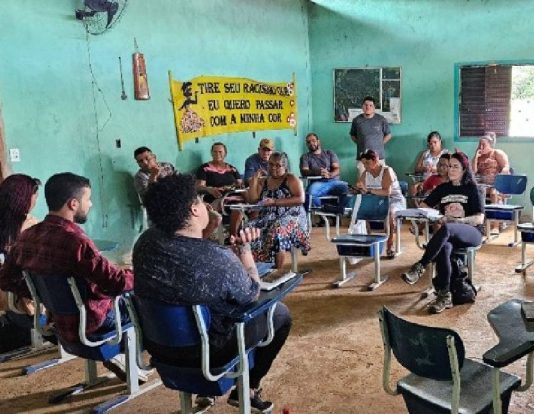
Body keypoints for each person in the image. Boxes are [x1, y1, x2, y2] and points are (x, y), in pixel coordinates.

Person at [134, 174, 290, 413]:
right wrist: (245, 251)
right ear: (193, 210)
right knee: (278, 314)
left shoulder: (145, 243)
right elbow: (251, 293)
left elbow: (185, 257)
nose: (206, 205)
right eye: (200, 200)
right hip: (207, 354)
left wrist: (206, 230)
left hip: (160, 347)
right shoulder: (218, 259)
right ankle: (248, 388)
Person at [0, 173, 133, 366]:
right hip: (92, 322)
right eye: (88, 199)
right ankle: (141, 361)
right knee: (139, 301)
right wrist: (140, 274)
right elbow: (116, 283)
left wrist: (40, 294)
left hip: (55, 321)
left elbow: (5, 278)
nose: (91, 204)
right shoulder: (76, 241)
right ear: (73, 204)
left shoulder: (26, 237)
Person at [401, 151, 485, 314]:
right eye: (449, 166)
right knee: (444, 248)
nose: (451, 170)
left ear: (464, 169)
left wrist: (458, 221)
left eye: (455, 166)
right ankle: (445, 295)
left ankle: (420, 266)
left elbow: (479, 218)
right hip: (449, 235)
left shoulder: (473, 189)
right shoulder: (443, 188)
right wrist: (436, 216)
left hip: (471, 233)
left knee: (447, 227)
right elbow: (424, 205)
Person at [243, 152, 310, 274]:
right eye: (271, 164)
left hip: (292, 217)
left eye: (278, 165)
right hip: (268, 217)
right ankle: (257, 269)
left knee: (277, 230)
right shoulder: (264, 181)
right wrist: (253, 182)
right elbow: (252, 200)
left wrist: (275, 201)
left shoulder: (291, 179)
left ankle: (277, 272)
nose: (273, 168)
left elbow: (300, 199)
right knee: (249, 228)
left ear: (285, 166)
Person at [0, 174, 41, 353]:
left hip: (6, 299)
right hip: (27, 300)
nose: (36, 199)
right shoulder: (30, 225)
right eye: (34, 195)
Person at [357, 149, 407, 258]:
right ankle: (368, 243)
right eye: (363, 163)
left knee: (390, 213)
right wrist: (358, 189)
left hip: (394, 199)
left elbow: (387, 192)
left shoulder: (387, 171)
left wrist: (368, 190)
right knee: (362, 212)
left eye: (367, 163)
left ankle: (390, 246)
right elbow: (360, 187)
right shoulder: (366, 173)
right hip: (377, 200)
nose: (365, 166)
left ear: (375, 161)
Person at [299, 133, 349, 213]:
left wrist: (329, 174)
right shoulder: (305, 157)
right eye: (308, 142)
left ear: (318, 141)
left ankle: (338, 213)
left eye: (313, 141)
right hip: (318, 183)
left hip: (334, 182)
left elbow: (337, 169)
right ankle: (323, 215)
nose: (311, 143)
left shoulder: (329, 153)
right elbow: (304, 172)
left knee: (347, 190)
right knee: (311, 193)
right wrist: (319, 172)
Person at [471, 132, 509, 234]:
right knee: (475, 191)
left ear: (490, 145)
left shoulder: (497, 153)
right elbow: (473, 172)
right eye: (479, 144)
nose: (481, 147)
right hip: (483, 185)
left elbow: (506, 167)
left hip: (497, 184)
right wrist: (476, 157)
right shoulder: (478, 156)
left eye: (484, 145)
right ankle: (478, 223)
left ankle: (495, 226)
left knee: (493, 192)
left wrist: (500, 177)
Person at [350, 96, 392, 174]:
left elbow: (388, 135)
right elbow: (353, 135)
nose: (368, 107)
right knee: (362, 183)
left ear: (374, 107)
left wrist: (379, 143)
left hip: (379, 158)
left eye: (370, 105)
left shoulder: (381, 119)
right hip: (362, 159)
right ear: (362, 107)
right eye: (365, 105)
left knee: (380, 181)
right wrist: (361, 143)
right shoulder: (356, 120)